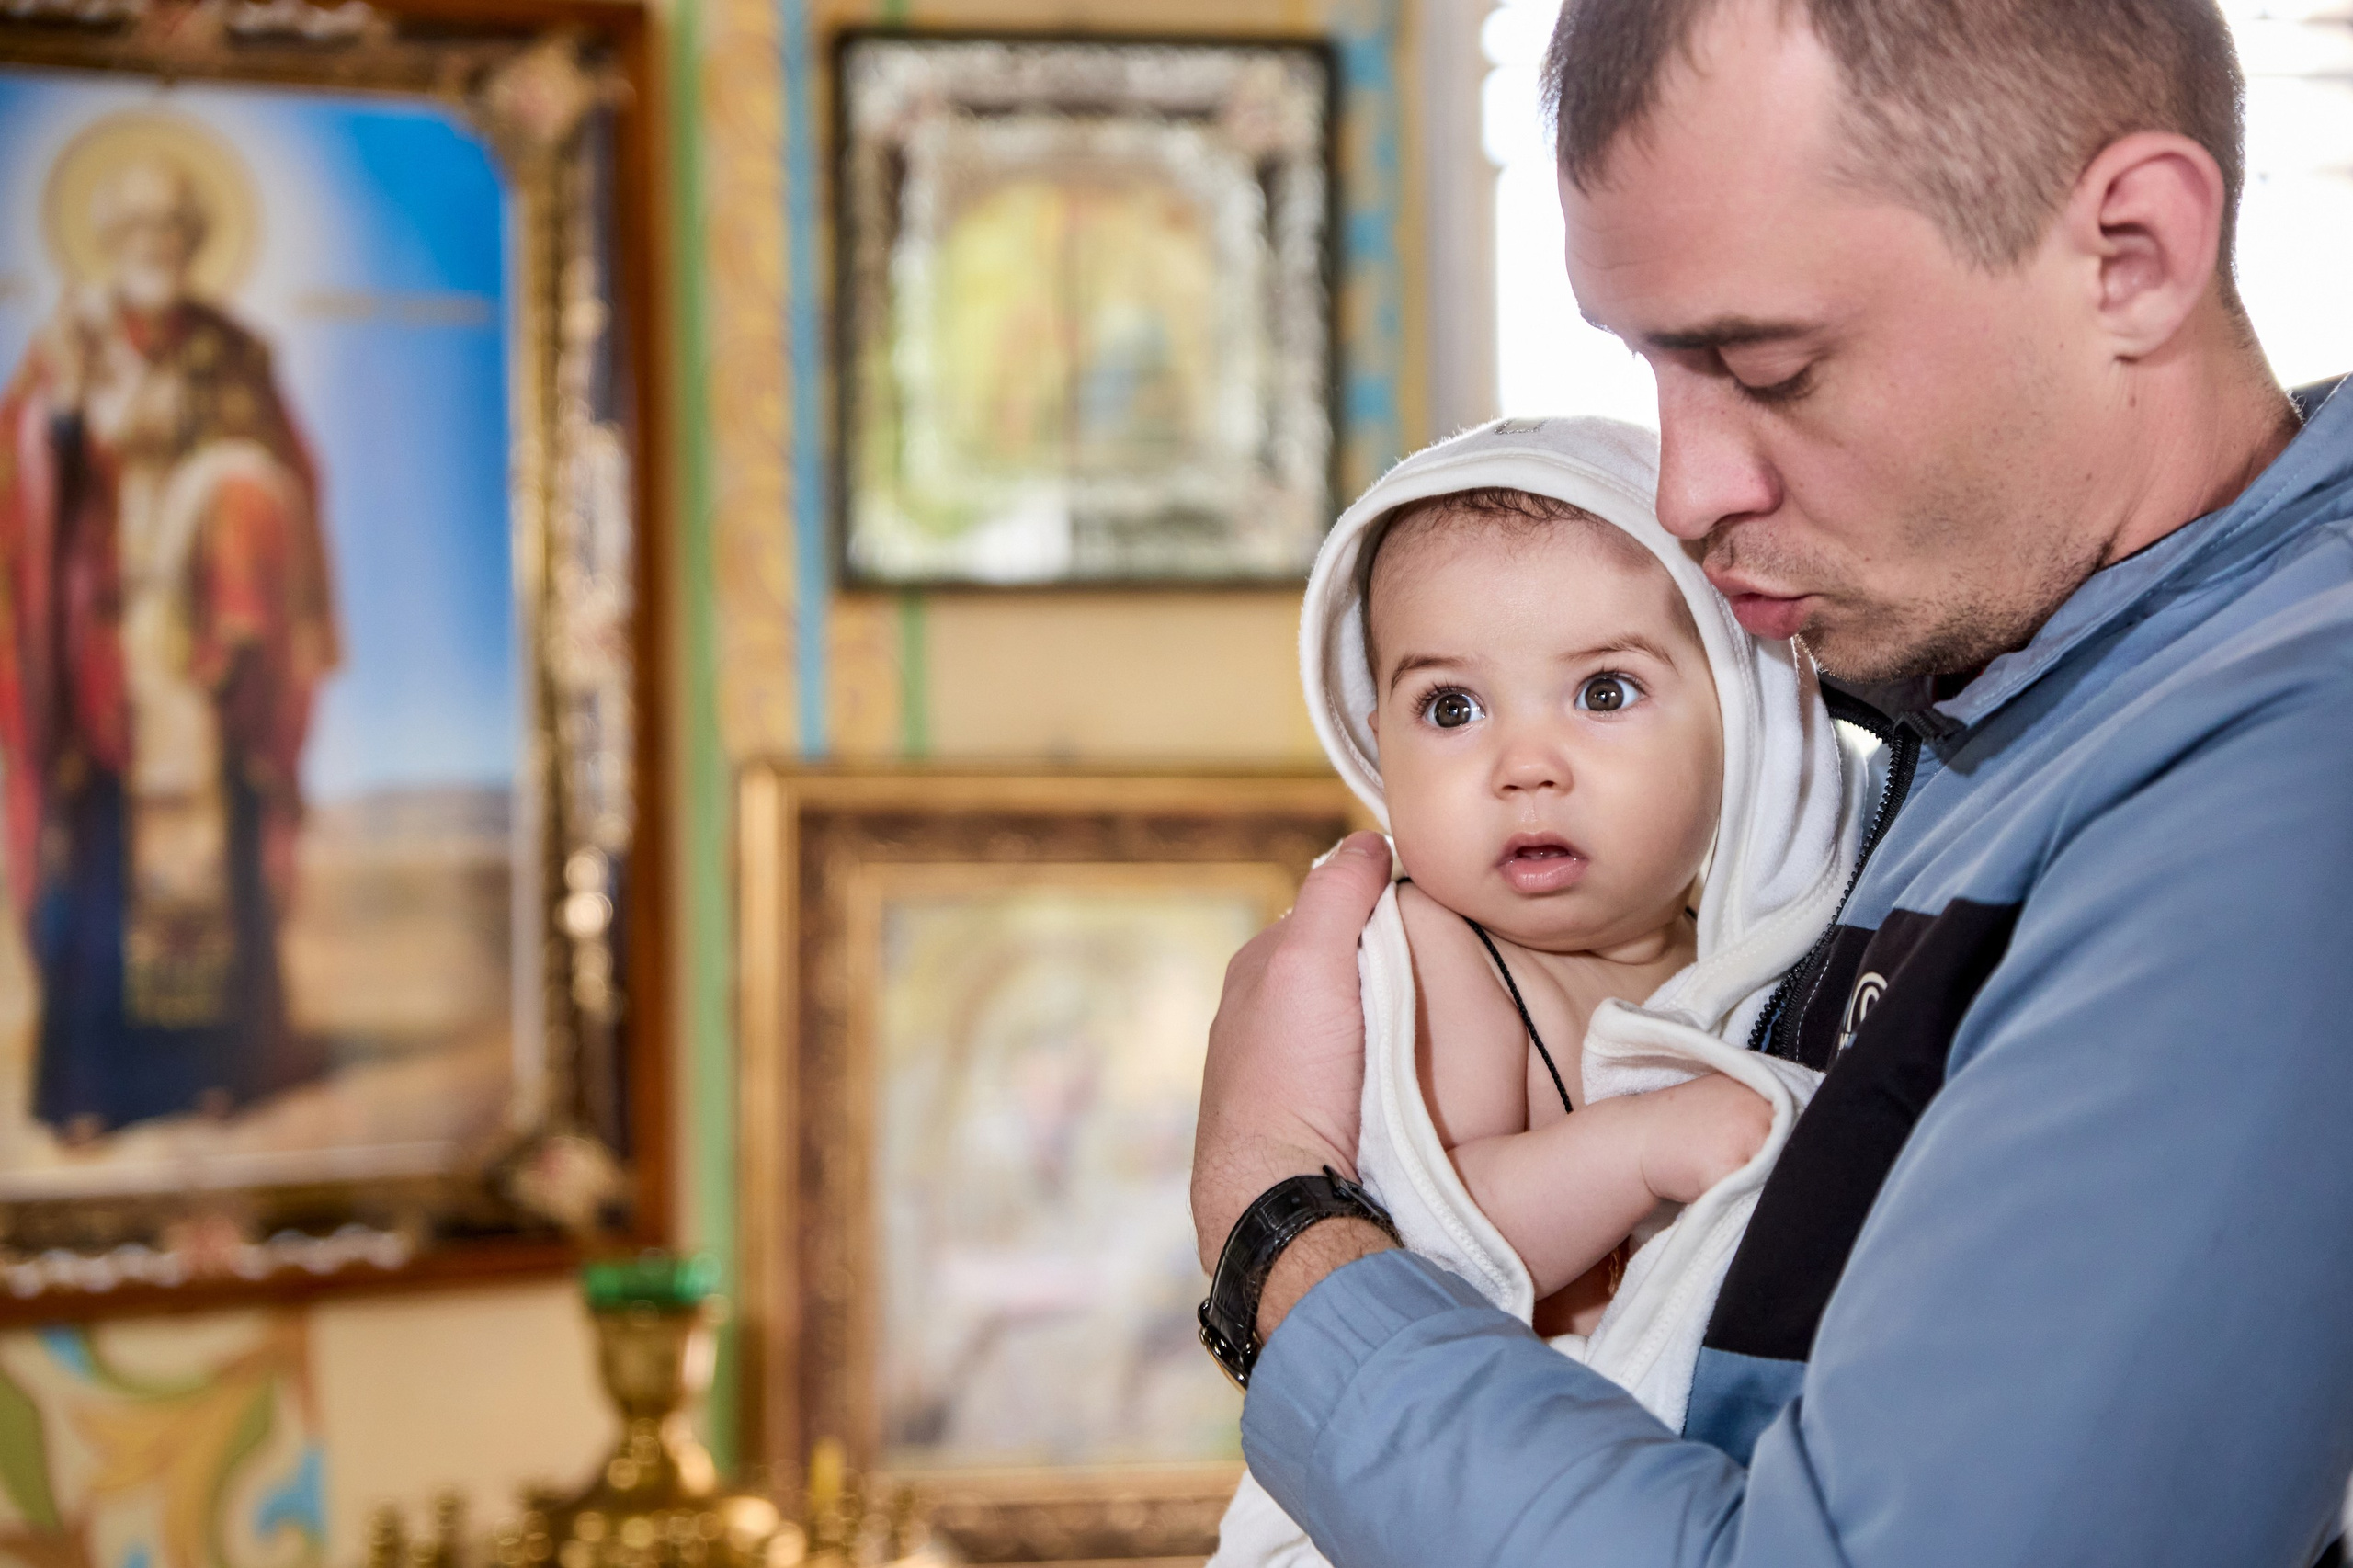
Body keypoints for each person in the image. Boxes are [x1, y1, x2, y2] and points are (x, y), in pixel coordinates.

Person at [1189, 0, 2353, 1562]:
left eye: (1768, 367)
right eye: (1653, 372)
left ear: (2129, 253)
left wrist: (1282, 1226)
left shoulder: (2272, 798)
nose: (1689, 491)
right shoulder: (1976, 715)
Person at [1211, 418, 1876, 1568]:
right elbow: (1435, 1233)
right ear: (1378, 742)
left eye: (1603, 691)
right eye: (1452, 709)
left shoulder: (1747, 968)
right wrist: (1644, 1147)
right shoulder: (1440, 951)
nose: (1525, 763)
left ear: (1738, 719)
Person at [0, 151, 337, 1138]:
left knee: (215, 855)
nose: (157, 247)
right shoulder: (70, 346)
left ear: (194, 242)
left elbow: (286, 484)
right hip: (104, 652)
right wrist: (59, 420)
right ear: (110, 243)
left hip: (206, 647)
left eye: (173, 231)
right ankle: (97, 1086)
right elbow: (26, 483)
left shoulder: (237, 356)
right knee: (101, 859)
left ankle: (216, 1072)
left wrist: (250, 590)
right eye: (137, 230)